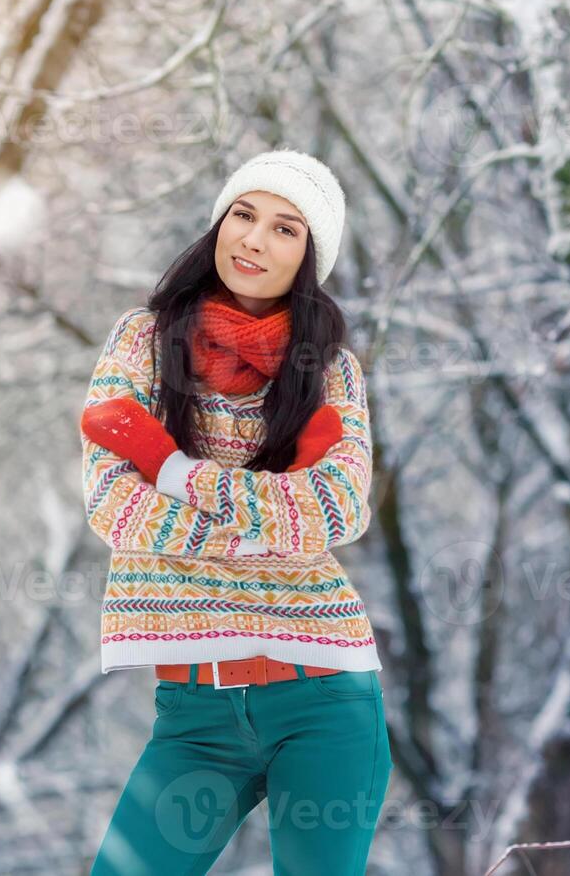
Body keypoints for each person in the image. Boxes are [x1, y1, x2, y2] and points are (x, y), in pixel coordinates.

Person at [80, 148, 392, 875]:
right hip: (194, 714)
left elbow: (339, 509)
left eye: (286, 229)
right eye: (244, 214)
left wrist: (172, 470)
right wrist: (263, 533)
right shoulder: (145, 343)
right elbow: (113, 505)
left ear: (309, 257)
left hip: (324, 696)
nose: (254, 239)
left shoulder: (330, 369)